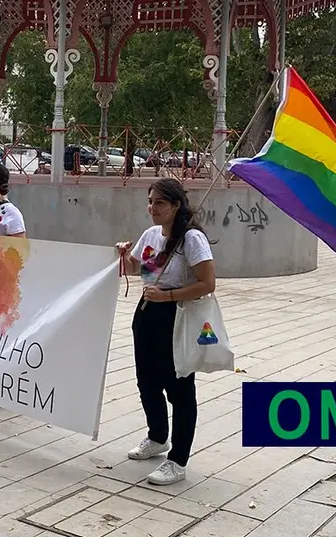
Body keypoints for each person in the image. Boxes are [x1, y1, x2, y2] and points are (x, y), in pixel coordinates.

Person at [114, 178, 215, 487]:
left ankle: (178, 460)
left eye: (159, 203)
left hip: (177, 317)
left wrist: (168, 296)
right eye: (149, 201)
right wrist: (124, 255)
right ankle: (158, 437)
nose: (152, 208)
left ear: (176, 206)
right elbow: (141, 269)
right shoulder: (151, 235)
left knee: (179, 388)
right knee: (146, 381)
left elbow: (208, 284)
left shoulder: (192, 239)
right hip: (147, 314)